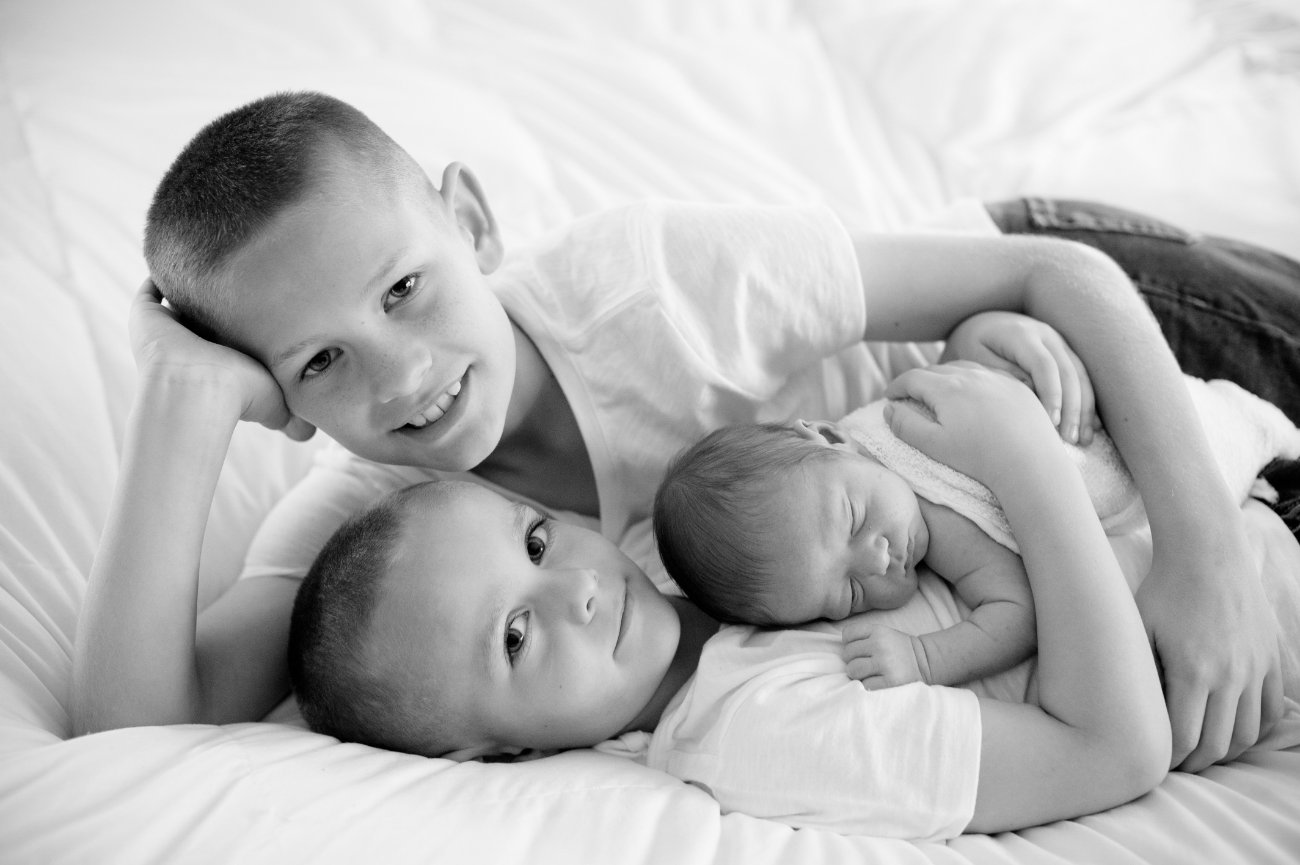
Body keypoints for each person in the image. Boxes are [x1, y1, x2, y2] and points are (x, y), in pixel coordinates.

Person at [71, 90, 1294, 773]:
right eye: (321, 361)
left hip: (1108, 332)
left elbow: (1053, 275)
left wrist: (1207, 560)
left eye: (404, 289)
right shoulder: (386, 540)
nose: (405, 377)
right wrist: (181, 405)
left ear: (471, 224)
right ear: (281, 403)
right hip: (1039, 502)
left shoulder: (645, 289)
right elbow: (132, 734)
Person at [289, 364, 1275, 839]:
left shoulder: (683, 546)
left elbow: (883, 435)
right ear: (497, 754)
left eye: (537, 541)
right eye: (514, 636)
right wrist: (1020, 453)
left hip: (1222, 486)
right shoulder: (759, 727)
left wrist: (994, 355)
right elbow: (1117, 749)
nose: (578, 589)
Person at [652, 367, 1300, 691]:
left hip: (1175, 452)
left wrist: (925, 658)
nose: (877, 559)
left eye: (853, 518)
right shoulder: (865, 473)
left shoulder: (921, 488)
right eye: (847, 592)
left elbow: (1018, 614)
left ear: (827, 435)